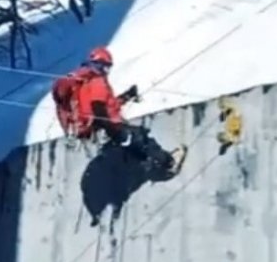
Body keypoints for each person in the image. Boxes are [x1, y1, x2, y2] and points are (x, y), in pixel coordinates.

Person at [53, 46, 186, 176]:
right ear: (97, 65)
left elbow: (108, 106)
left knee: (134, 145)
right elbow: (99, 110)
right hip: (108, 127)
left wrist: (127, 96)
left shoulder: (84, 85)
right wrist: (115, 132)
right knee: (141, 138)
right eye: (104, 66)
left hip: (96, 130)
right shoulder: (96, 82)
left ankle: (149, 163)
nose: (106, 71)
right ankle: (170, 163)